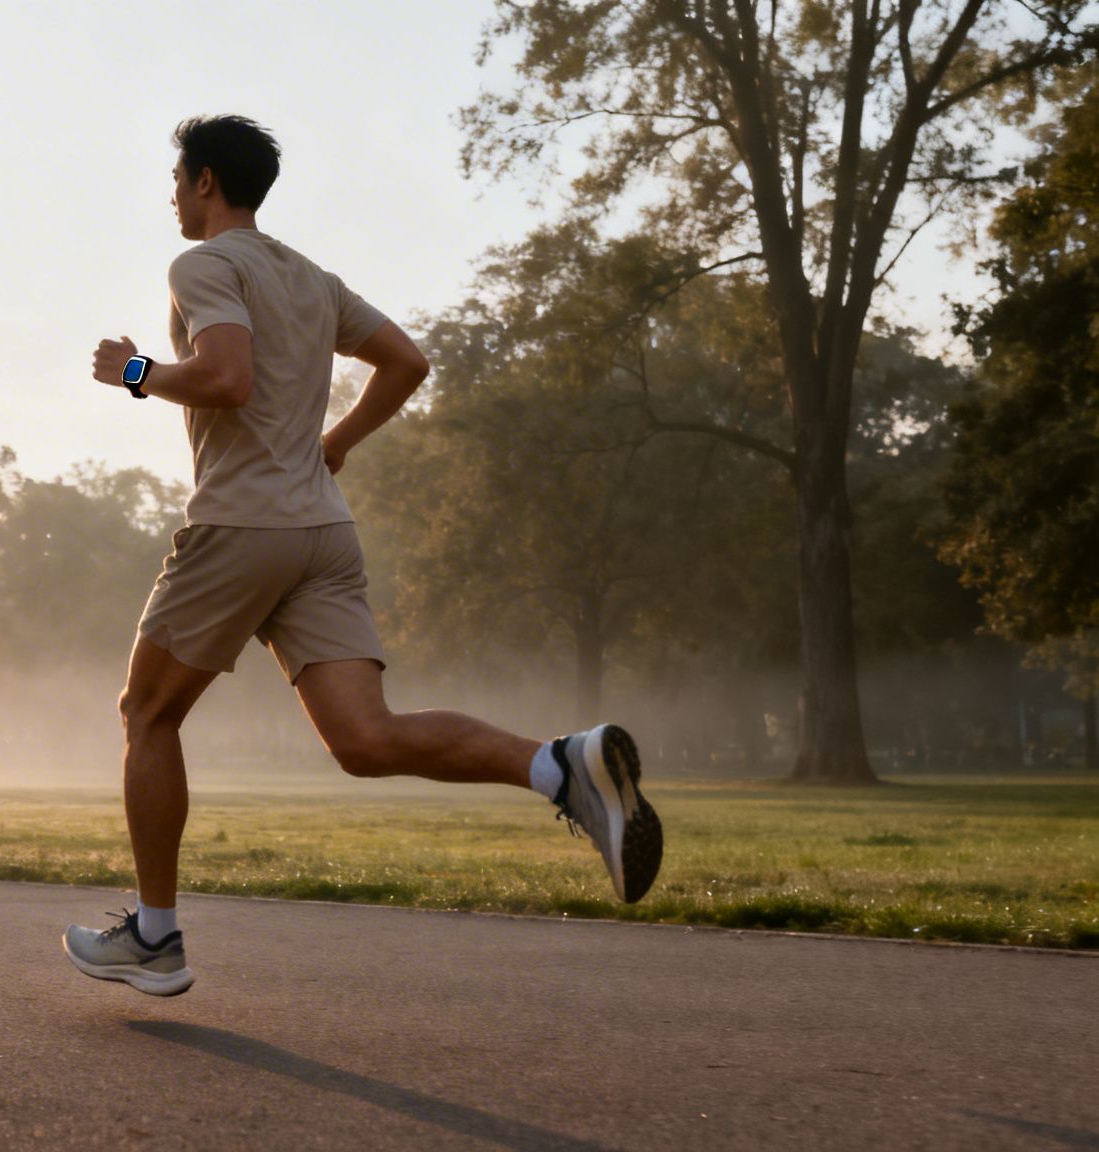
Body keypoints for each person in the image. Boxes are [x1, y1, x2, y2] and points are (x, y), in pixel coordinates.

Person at [64, 115, 662, 997]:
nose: (172, 196)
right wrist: (334, 444)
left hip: (242, 526)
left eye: (177, 179)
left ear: (202, 183)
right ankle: (557, 765)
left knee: (146, 715)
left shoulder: (201, 264)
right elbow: (407, 362)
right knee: (365, 739)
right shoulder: (312, 278)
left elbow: (228, 378)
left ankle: (155, 938)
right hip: (322, 531)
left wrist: (136, 372)